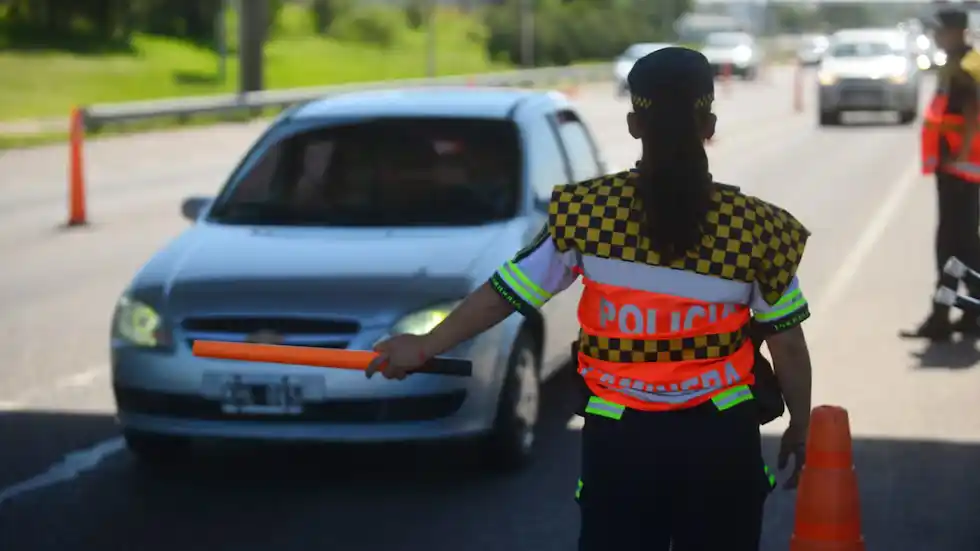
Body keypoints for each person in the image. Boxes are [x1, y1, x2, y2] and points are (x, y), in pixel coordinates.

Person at [366, 47, 814, 551]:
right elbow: (788, 345)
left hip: (621, 441)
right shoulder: (757, 229)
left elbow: (505, 293)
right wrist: (800, 423)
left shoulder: (587, 215)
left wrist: (425, 345)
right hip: (720, 439)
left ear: (633, 124)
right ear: (708, 123)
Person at [907, 7, 980, 340]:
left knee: (953, 248)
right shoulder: (962, 63)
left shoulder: (964, 69)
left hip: (960, 173)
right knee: (963, 247)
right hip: (960, 172)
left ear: (956, 31)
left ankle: (946, 317)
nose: (936, 36)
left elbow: (973, 112)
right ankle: (962, 314)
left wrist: (960, 156)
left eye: (940, 30)